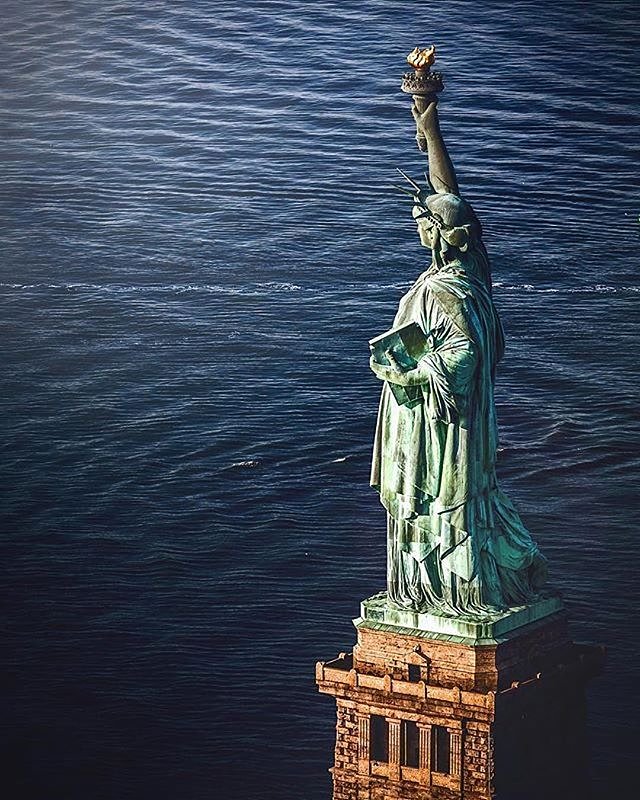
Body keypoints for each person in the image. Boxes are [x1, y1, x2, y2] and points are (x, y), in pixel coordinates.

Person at [369, 101, 547, 616]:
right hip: (437, 417)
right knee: (432, 503)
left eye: (427, 226)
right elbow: (450, 195)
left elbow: (463, 354)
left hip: (439, 423)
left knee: (431, 503)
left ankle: (448, 591)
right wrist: (427, 122)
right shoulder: (473, 273)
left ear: (445, 238)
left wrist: (408, 369)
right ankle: (434, 588)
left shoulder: (450, 291)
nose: (420, 230)